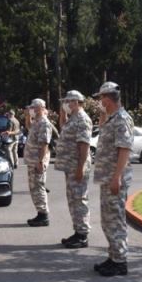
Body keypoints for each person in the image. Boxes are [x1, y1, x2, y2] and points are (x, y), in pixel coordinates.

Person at [92, 82, 134, 276]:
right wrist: (103, 113)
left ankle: (120, 262)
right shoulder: (112, 118)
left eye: (101, 98)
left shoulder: (122, 119)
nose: (100, 101)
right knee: (107, 220)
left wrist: (117, 177)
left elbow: (124, 150)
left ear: (108, 98)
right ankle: (113, 256)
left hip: (114, 179)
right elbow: (103, 131)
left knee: (115, 220)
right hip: (107, 178)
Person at [54, 90, 92, 249]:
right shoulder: (73, 118)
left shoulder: (82, 119)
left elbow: (84, 145)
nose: (66, 104)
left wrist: (80, 168)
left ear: (76, 102)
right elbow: (63, 125)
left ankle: (83, 235)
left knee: (79, 199)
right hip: (70, 166)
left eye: (68, 101)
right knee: (73, 200)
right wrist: (62, 111)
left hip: (77, 166)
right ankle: (77, 232)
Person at [23, 98, 53, 227]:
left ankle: (44, 215)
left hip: (37, 161)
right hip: (32, 161)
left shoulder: (44, 123)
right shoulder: (37, 121)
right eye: (31, 107)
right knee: (34, 187)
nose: (32, 109)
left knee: (39, 187)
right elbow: (29, 127)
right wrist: (27, 117)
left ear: (41, 108)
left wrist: (40, 161)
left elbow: (44, 144)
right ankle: (40, 213)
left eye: (34, 107)